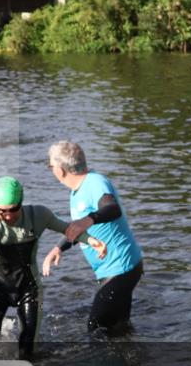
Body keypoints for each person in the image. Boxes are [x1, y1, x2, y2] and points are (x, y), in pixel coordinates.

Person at [0, 176, 107, 357]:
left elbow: (67, 229)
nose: (8, 216)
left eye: (14, 209)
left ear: (21, 202)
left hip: (29, 288)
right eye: (2, 211)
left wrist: (92, 241)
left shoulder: (38, 215)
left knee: (28, 352)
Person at [46, 141, 143, 335]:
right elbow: (80, 229)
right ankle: (134, 354)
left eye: (50, 166)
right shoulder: (77, 191)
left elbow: (112, 208)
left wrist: (88, 219)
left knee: (96, 330)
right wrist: (59, 247)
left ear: (60, 170)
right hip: (117, 269)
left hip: (120, 268)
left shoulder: (95, 182)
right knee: (119, 329)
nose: (51, 170)